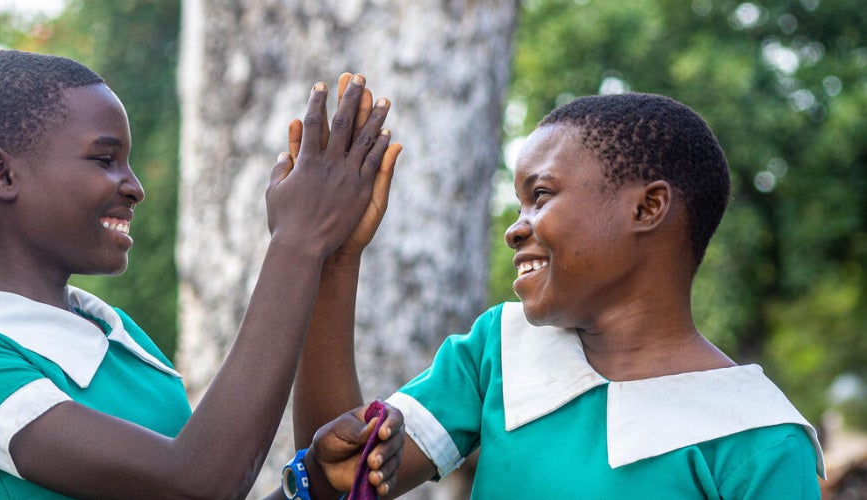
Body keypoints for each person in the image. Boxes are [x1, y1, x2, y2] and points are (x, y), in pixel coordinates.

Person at [0, 49, 404, 499]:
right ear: (0, 173)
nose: (135, 186)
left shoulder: (116, 335)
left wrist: (311, 481)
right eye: (105, 159)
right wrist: (297, 242)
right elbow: (197, 481)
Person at [289, 92, 826, 498]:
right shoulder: (499, 350)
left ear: (647, 208)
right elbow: (338, 475)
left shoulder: (759, 439)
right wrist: (334, 258)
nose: (515, 229)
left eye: (540, 196)